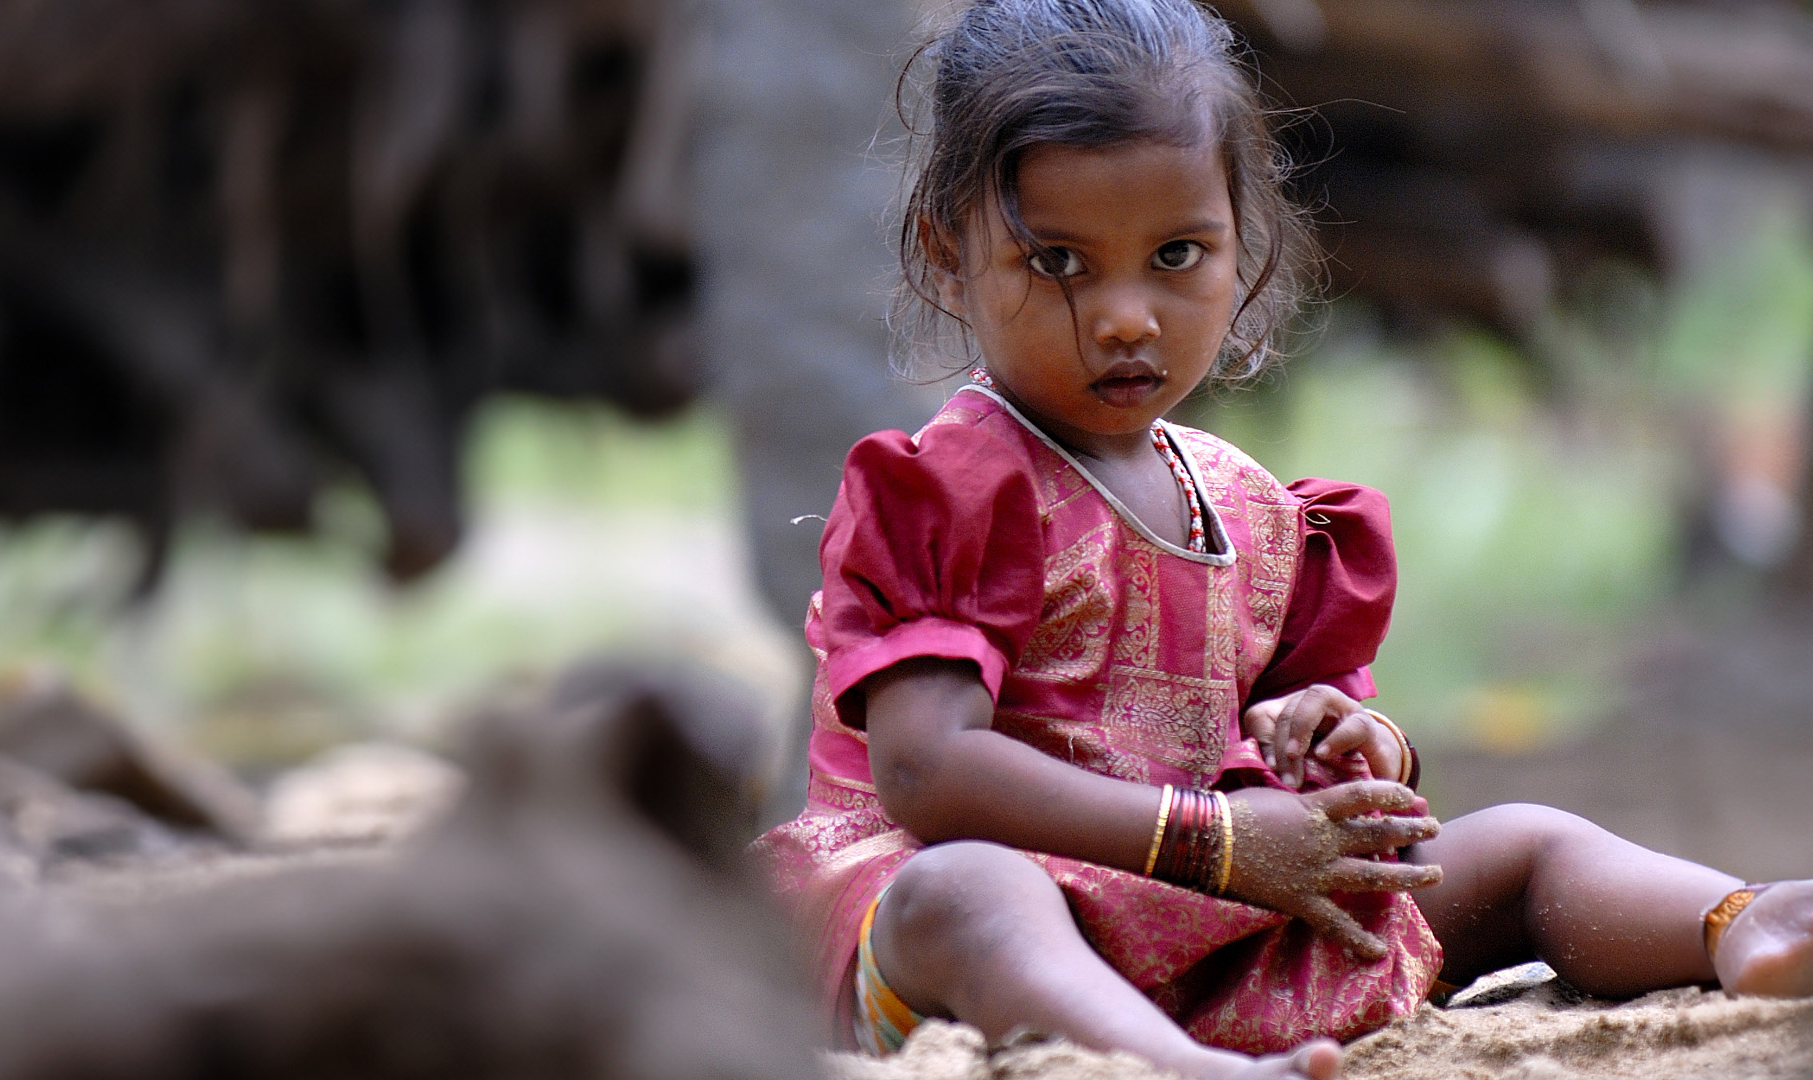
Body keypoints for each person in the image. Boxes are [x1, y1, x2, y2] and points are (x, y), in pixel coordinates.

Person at [750, 2, 1813, 1078]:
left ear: (1240, 247)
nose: (1127, 315)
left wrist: (1349, 742)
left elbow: (1320, 728)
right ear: (948, 255)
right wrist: (1209, 841)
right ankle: (1183, 1067)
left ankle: (1744, 921)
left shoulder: (1259, 511)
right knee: (968, 892)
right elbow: (927, 773)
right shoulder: (954, 488)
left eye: (1175, 254)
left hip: (1206, 912)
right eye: (1060, 264)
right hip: (984, 923)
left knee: (1523, 842)